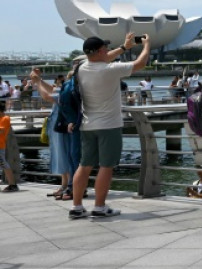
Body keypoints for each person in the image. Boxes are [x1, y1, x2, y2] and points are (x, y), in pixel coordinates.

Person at [69, 33, 151, 219]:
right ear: (99, 51)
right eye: (105, 48)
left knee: (84, 165)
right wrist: (146, 45)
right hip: (109, 126)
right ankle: (99, 207)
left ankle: (77, 206)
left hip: (87, 125)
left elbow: (103, 58)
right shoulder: (110, 69)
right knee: (106, 166)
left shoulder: (81, 68)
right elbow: (140, 64)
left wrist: (124, 47)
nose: (108, 50)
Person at [30, 65, 84, 200]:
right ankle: (65, 185)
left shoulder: (68, 91)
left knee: (64, 154)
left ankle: (70, 185)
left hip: (63, 126)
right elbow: (53, 90)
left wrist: (37, 83)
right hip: (60, 126)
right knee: (62, 154)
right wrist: (39, 79)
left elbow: (47, 96)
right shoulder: (66, 89)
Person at [0, 102, 15, 192]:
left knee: (4, 165)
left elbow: (1, 131)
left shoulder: (5, 118)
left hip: (0, 145)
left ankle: (12, 184)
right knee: (3, 164)